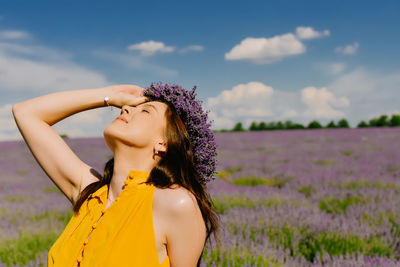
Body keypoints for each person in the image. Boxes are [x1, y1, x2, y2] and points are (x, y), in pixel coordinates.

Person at [12, 82, 221, 266]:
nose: (127, 109)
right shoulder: (90, 193)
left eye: (146, 111)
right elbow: (26, 112)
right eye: (129, 106)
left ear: (164, 143)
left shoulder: (176, 204)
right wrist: (110, 95)